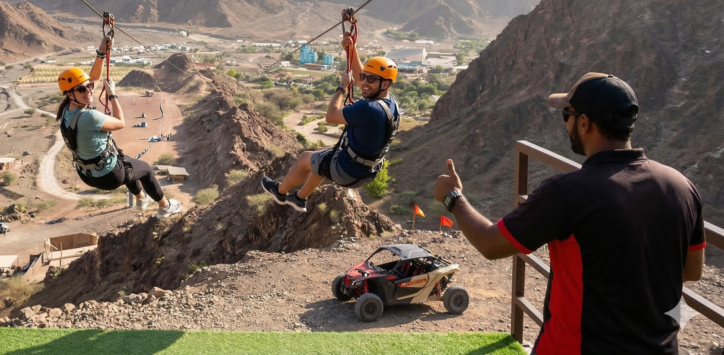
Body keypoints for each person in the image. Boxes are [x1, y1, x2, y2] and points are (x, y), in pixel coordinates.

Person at [434, 73, 705, 354]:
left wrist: (453, 197)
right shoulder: (681, 187)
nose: (566, 124)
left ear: (585, 123)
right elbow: (691, 271)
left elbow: (491, 244)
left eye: (567, 114)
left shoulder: (566, 192)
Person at [261, 34, 400, 212]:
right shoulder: (390, 103)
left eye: (371, 79)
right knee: (320, 154)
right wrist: (351, 49)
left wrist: (342, 87)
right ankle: (299, 198)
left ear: (385, 83)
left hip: (349, 172)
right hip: (366, 171)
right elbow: (358, 79)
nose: (364, 82)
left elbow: (331, 116)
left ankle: (280, 192)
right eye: (365, 76)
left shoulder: (369, 108)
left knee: (305, 158)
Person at [57, 36, 182, 218]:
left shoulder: (65, 112)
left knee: (125, 161)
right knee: (145, 169)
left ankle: (141, 199)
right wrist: (113, 95)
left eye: (88, 87)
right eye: (82, 89)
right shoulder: (89, 117)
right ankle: (165, 206)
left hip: (87, 174)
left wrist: (101, 52)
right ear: (70, 94)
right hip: (108, 177)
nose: (89, 91)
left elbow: (93, 78)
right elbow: (120, 122)